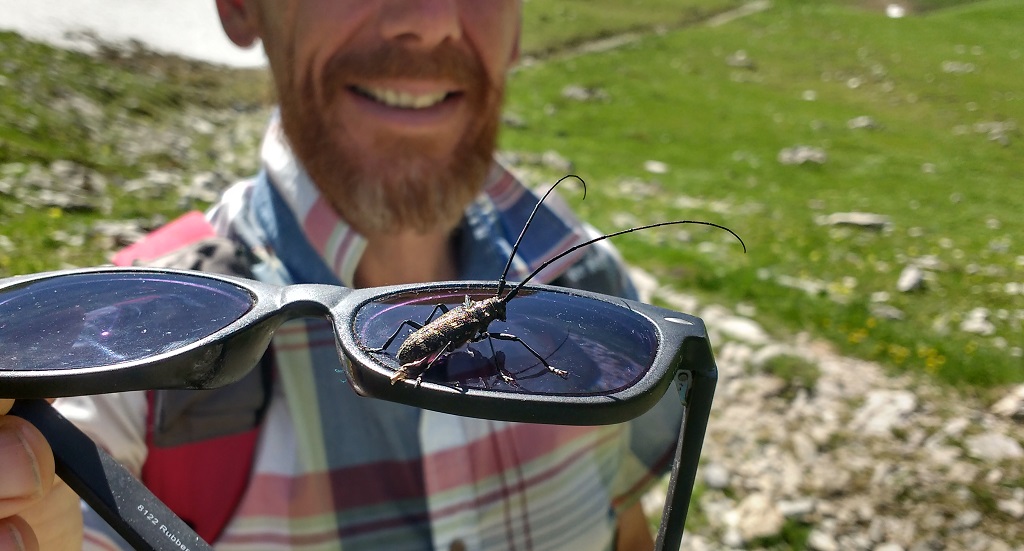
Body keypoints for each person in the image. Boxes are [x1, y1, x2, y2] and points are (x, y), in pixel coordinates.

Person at [0, 1, 683, 549]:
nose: (432, 16)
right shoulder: (132, 341)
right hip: (415, 350)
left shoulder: (595, 290)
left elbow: (624, 525)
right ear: (241, 8)